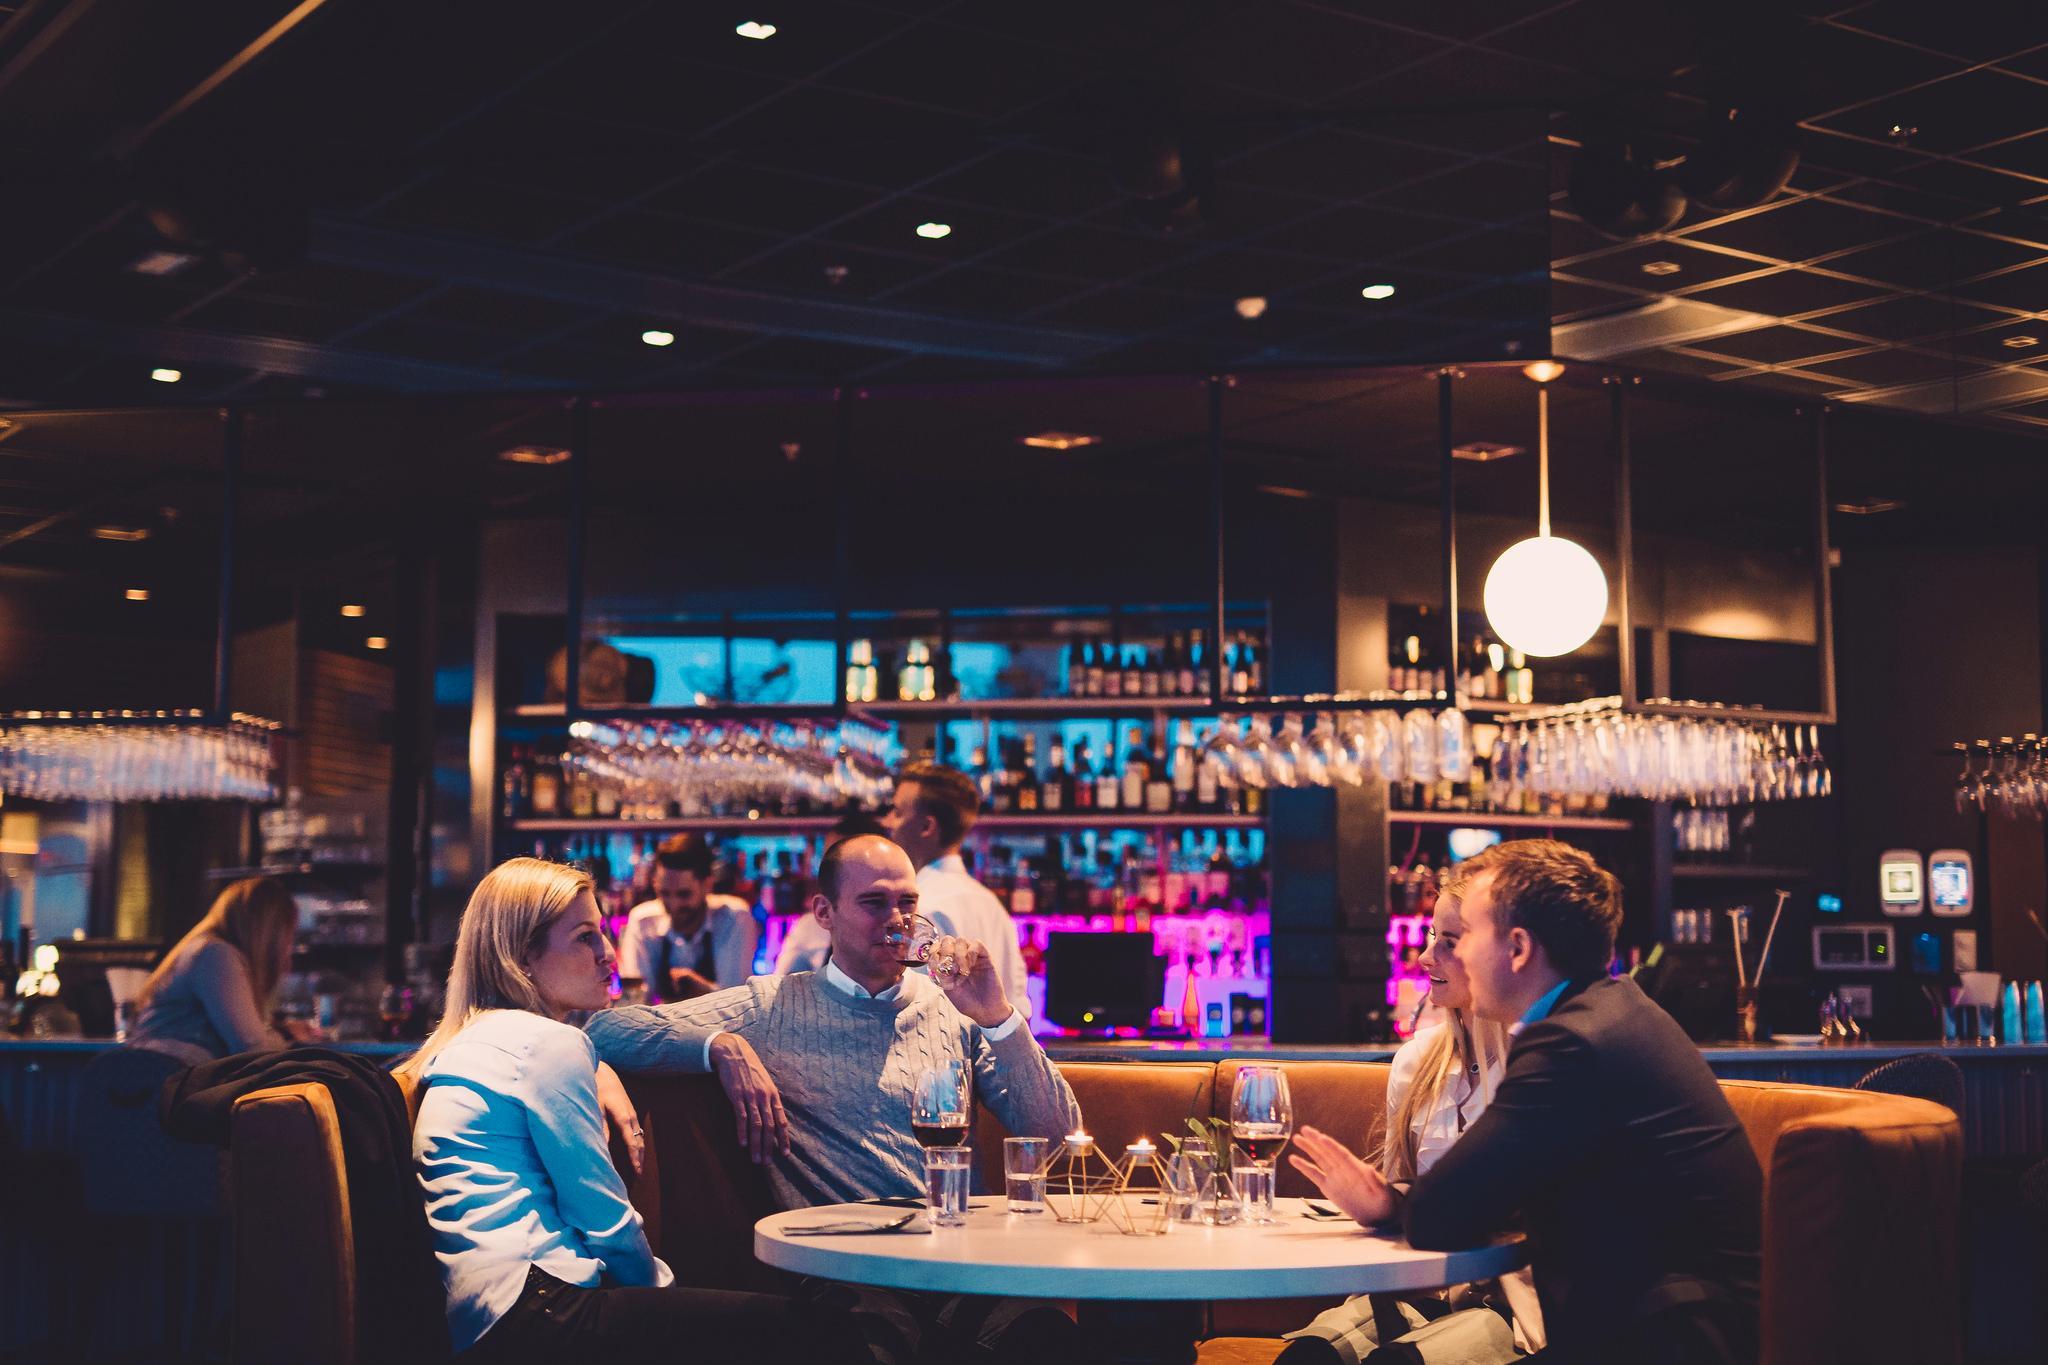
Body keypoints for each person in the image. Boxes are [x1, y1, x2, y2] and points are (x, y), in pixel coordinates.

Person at [588, 834, 1084, 1364]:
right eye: (874, 903)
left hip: (959, 1264)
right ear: (824, 912)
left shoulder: (956, 1010)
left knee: (1045, 1334)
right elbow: (606, 1027)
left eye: (907, 902)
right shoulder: (774, 1004)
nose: (897, 920)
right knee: (861, 1343)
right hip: (849, 1271)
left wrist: (999, 1018)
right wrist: (720, 1047)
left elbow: (1060, 1136)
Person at [1288, 840, 1761, 1365]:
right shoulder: (1609, 1011)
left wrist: (1403, 1205)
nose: (1454, 955)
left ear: (1517, 948)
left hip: (1669, 1342)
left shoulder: (1569, 1044)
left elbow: (1438, 1214)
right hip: (1665, 1327)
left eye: (1468, 935)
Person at [401, 857, 867, 1363]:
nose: (607, 953)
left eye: (602, 932)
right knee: (820, 1330)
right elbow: (604, 1222)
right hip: (538, 1307)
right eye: (585, 937)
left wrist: (594, 1061)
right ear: (523, 957)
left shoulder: (471, 1041)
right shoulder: (544, 1044)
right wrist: (662, 1295)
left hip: (482, 1318)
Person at [1282, 866, 1542, 1363]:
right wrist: (1380, 1201)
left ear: (1502, 952)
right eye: (1430, 937)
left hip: (1509, 1303)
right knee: (1310, 1355)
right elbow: (1405, 1201)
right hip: (1415, 1286)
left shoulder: (1538, 1064)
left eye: (1449, 942)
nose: (1425, 957)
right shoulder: (1416, 1061)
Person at [880, 762, 1031, 1017]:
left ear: (927, 827)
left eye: (897, 812)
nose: (887, 822)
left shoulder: (919, 907)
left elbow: (912, 1016)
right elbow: (1019, 1008)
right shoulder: (991, 904)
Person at [129, 876, 322, 1059]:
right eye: (288, 935)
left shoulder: (205, 949)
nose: (288, 947)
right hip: (168, 1076)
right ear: (270, 933)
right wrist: (288, 1036)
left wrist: (282, 1031)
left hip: (159, 1074)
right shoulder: (215, 955)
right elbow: (253, 1049)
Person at [615, 833, 759, 1002]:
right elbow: (635, 999)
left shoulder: (734, 918)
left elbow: (738, 1002)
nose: (674, 904)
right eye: (664, 893)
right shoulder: (643, 921)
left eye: (684, 894)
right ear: (655, 884)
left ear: (707, 884)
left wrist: (704, 990)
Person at [773, 812, 883, 975]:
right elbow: (781, 984)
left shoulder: (894, 927)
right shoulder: (810, 925)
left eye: (839, 861)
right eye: (827, 860)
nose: (828, 870)